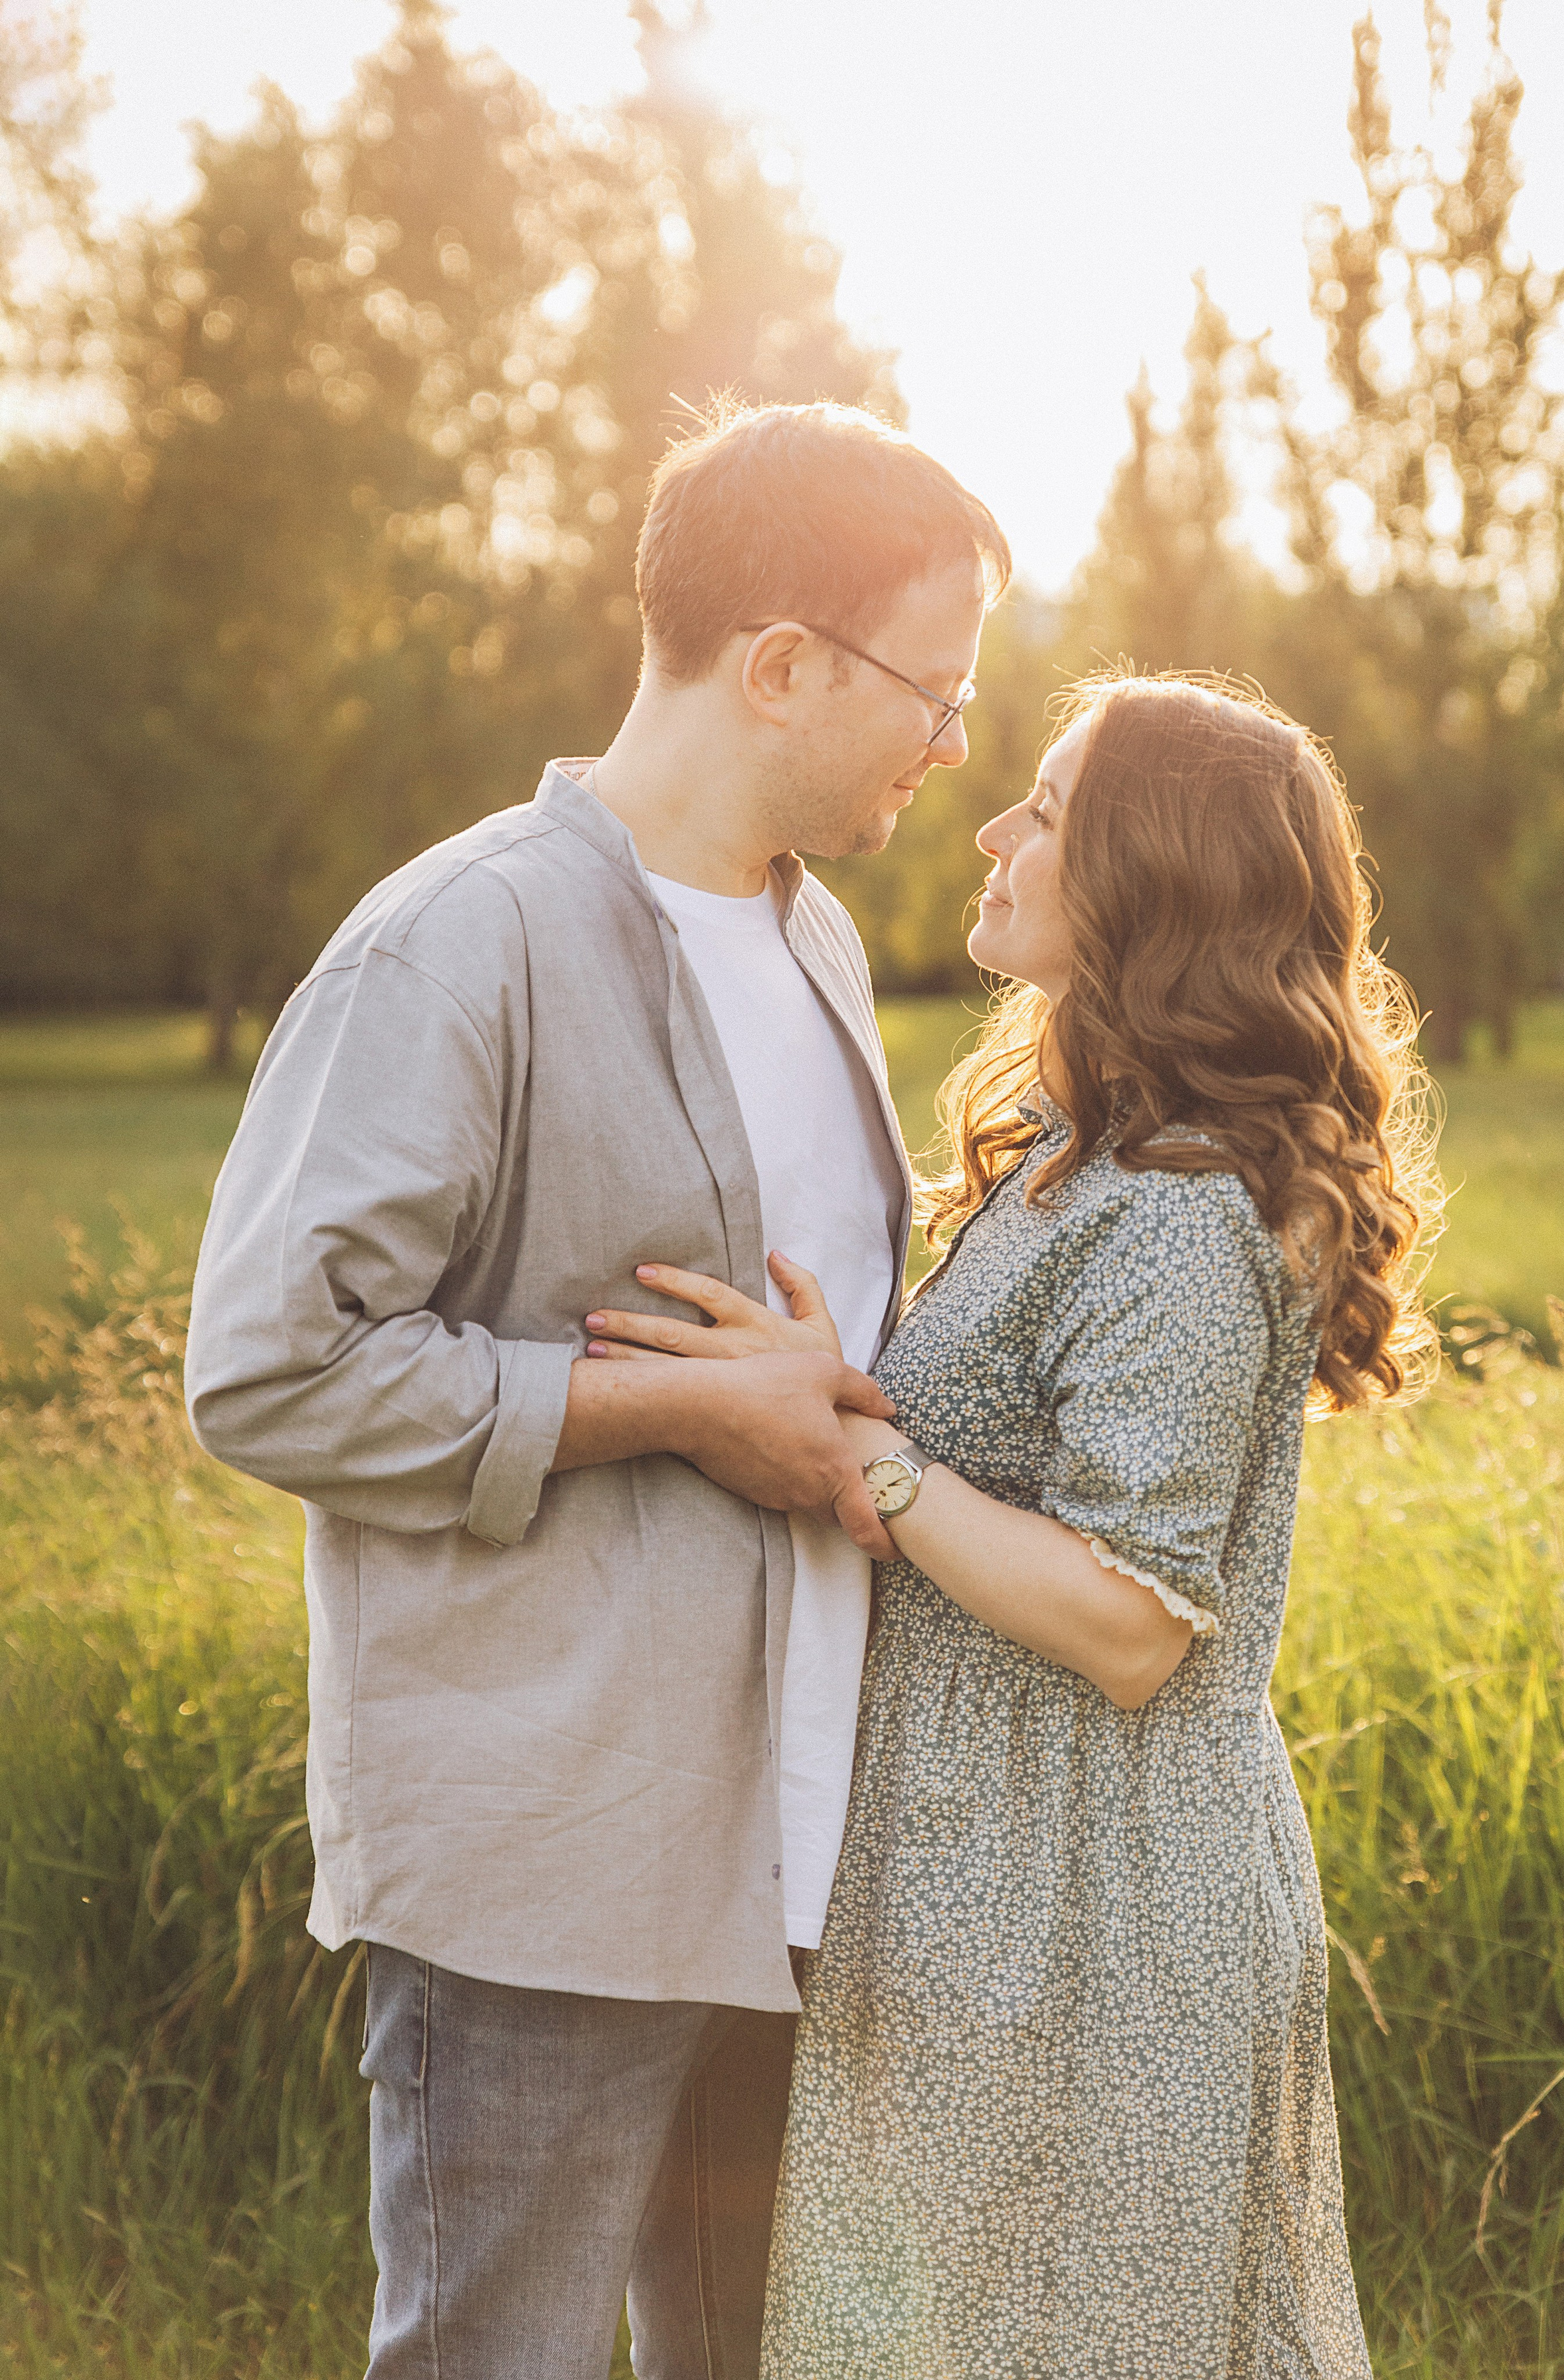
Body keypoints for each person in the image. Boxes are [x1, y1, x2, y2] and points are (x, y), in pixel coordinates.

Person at [181, 398, 1010, 2379]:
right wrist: (665, 1410)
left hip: (800, 1846)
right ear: (782, 665)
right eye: (936, 692)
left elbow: (819, 1353)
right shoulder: (455, 945)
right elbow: (272, 1368)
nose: (951, 747)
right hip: (546, 1864)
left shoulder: (817, 943)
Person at [586, 673, 1438, 2377]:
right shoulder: (1085, 1150)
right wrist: (828, 1397)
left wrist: (860, 1455)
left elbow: (1129, 1621)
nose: (990, 830)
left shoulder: (1182, 1210)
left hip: (1096, 1898)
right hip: (990, 1867)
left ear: (1148, 881)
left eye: (1043, 810)